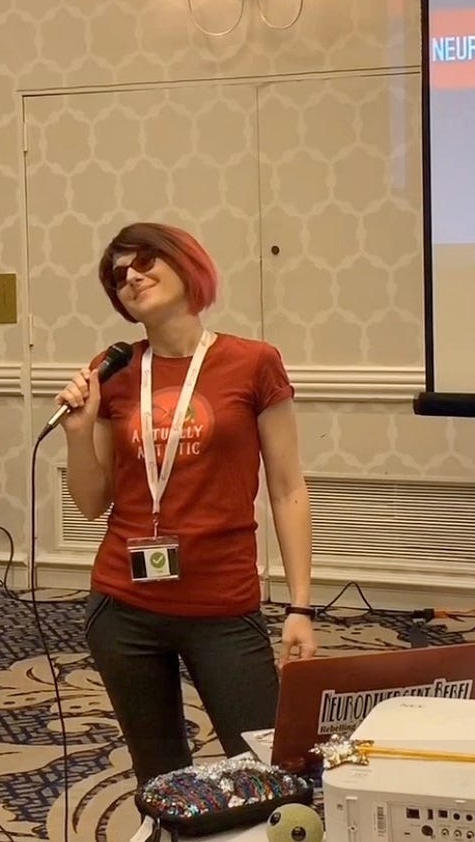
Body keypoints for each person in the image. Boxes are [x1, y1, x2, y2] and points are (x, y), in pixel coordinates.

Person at [54, 221, 317, 786]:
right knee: (160, 778)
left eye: (145, 260)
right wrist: (78, 432)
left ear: (185, 263)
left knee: (270, 773)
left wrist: (300, 605)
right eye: (118, 275)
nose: (132, 277)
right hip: (122, 607)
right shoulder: (116, 369)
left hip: (221, 605)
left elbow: (288, 488)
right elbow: (88, 502)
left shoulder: (253, 362)